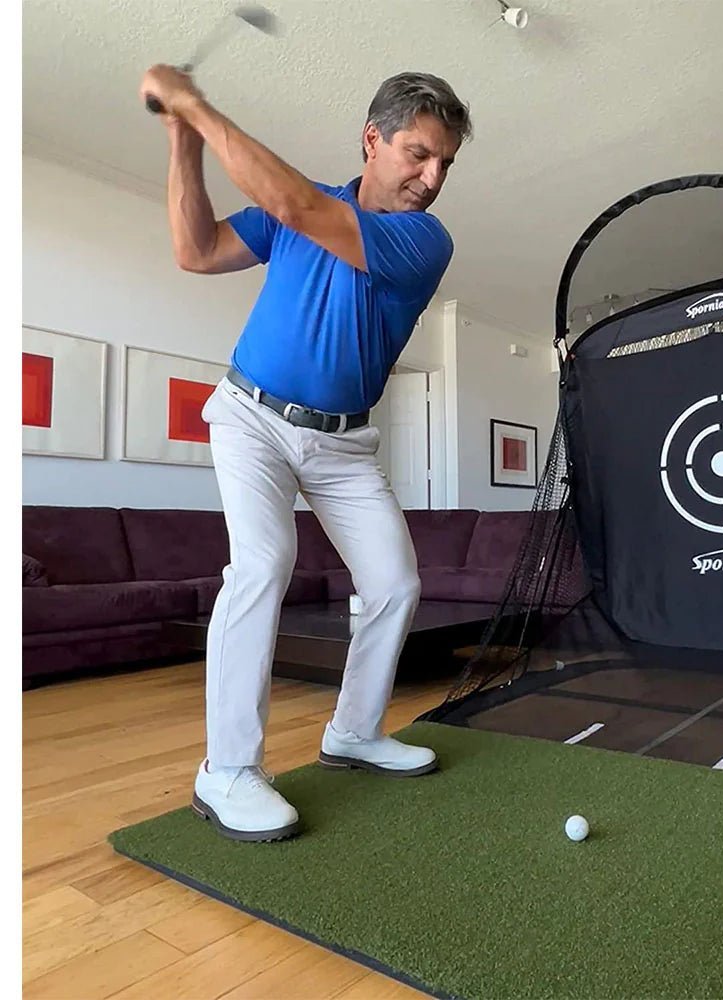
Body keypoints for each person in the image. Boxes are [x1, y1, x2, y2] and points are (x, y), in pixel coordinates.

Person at [138, 65, 472, 842]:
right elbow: (195, 250)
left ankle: (353, 733)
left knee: (394, 582)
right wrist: (180, 138)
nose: (432, 177)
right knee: (262, 564)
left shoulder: (423, 240)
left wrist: (194, 102)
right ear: (373, 140)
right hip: (252, 418)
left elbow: (298, 203)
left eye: (445, 163)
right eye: (419, 154)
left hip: (344, 444)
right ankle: (225, 770)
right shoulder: (298, 210)